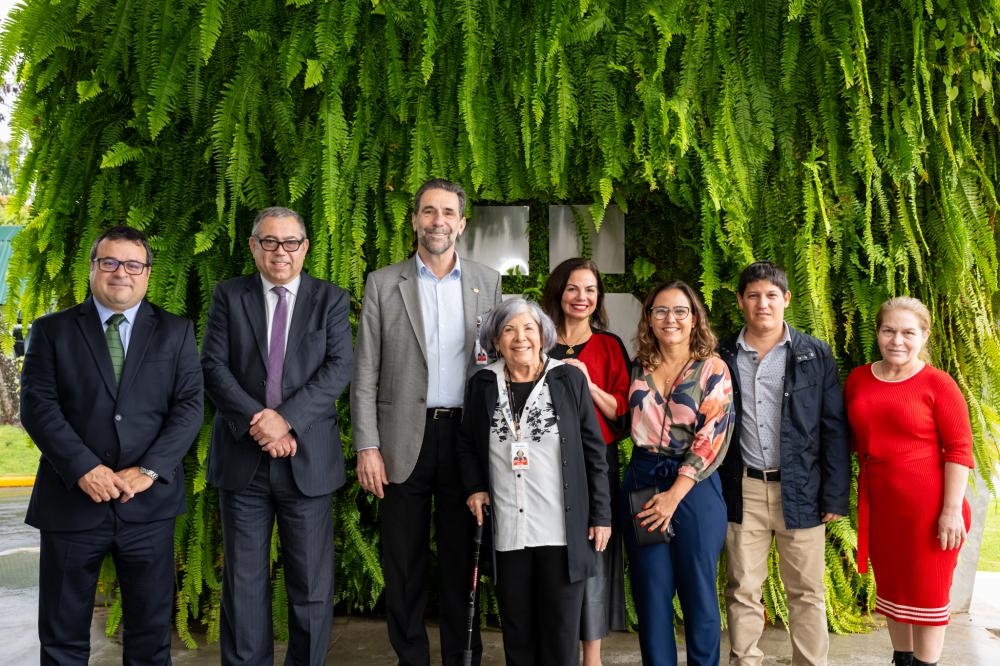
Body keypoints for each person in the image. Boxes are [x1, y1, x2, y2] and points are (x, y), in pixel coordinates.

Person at [21, 225, 204, 665]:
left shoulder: (176, 332)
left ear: (147, 274)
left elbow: (189, 407)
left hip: (148, 507)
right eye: (109, 262)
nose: (121, 272)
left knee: (150, 635)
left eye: (132, 264)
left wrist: (148, 471)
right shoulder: (51, 331)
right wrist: (84, 468)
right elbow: (38, 407)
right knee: (62, 637)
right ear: (92, 268)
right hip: (71, 503)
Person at [351, 178, 501, 666]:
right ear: (414, 219)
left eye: (448, 213)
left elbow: (498, 367)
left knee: (464, 560)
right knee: (404, 563)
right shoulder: (382, 282)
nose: (438, 221)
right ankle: (410, 657)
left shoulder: (488, 282)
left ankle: (463, 657)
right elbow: (366, 372)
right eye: (429, 212)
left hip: (465, 440)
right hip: (400, 442)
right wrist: (367, 446)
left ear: (462, 222)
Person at [202, 207, 353, 666]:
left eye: (290, 242)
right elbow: (213, 366)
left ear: (305, 247)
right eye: (270, 242)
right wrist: (261, 423)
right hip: (243, 462)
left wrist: (285, 420)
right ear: (253, 246)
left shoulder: (330, 299)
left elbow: (338, 368)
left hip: (307, 461)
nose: (280, 252)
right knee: (244, 585)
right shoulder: (229, 296)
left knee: (310, 587)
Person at [457, 297, 612, 666]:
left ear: (543, 336)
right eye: (508, 330)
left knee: (560, 637)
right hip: (511, 528)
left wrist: (601, 515)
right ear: (495, 341)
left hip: (561, 530)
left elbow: (595, 451)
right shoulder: (483, 383)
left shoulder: (567, 378)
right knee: (518, 633)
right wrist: (475, 486)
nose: (519, 337)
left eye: (528, 328)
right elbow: (465, 444)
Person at [718, 260, 850, 666]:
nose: (763, 304)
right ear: (740, 301)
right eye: (753, 296)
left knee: (807, 591)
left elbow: (833, 428)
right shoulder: (721, 353)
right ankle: (746, 661)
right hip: (744, 488)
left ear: (786, 300)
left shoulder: (814, 353)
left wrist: (834, 495)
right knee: (742, 589)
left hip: (802, 488)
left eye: (771, 296)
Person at [844, 297, 974, 666]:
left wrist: (951, 511)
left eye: (908, 332)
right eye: (889, 331)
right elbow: (847, 439)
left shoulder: (939, 384)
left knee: (929, 595)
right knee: (894, 591)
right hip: (884, 507)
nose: (897, 340)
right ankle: (902, 660)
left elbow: (960, 449)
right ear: (878, 333)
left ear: (924, 336)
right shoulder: (858, 379)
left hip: (931, 509)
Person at [624, 280, 733, 666]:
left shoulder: (713, 369)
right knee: (652, 592)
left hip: (696, 489)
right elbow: (621, 416)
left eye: (680, 311)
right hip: (643, 480)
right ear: (649, 319)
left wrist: (673, 495)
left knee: (698, 590)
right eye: (661, 311)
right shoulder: (640, 365)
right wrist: (584, 383)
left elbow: (712, 437)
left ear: (694, 319)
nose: (670, 319)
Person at [541, 257, 629, 666]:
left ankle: (591, 657)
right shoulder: (536, 340)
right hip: (542, 466)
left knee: (594, 553)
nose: (582, 297)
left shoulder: (609, 346)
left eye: (591, 290)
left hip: (595, 465)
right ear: (559, 290)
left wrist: (586, 383)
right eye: (574, 288)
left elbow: (623, 413)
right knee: (549, 553)